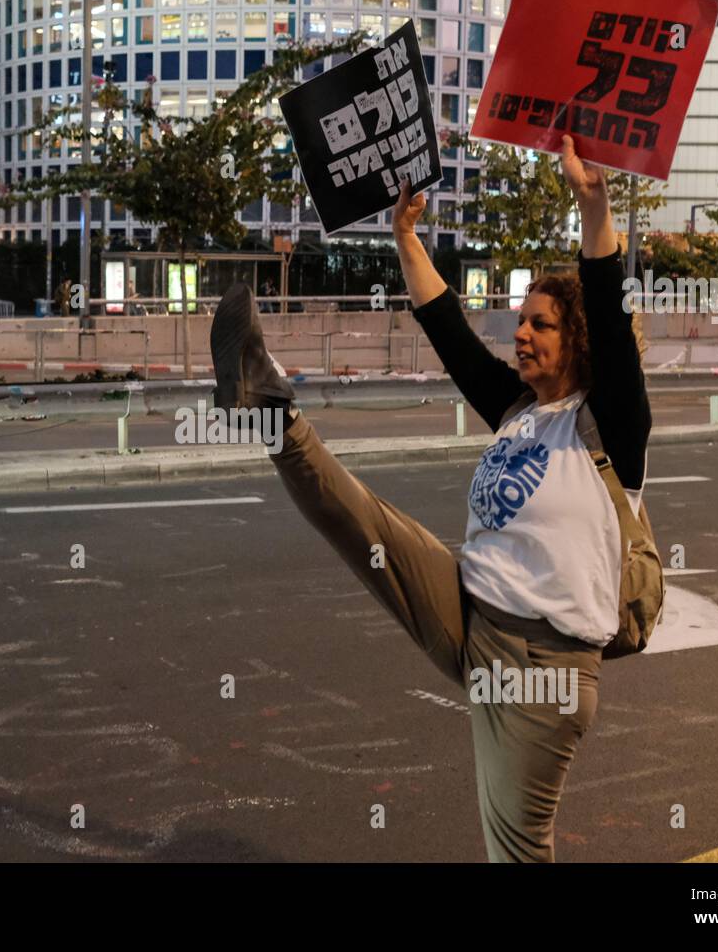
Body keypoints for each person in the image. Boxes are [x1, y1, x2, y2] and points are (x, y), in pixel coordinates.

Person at [208, 135, 650, 862]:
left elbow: (608, 309)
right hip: (468, 608)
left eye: (543, 322)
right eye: (521, 318)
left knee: (515, 851)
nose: (523, 332)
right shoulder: (517, 410)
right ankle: (267, 408)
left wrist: (592, 203)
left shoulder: (609, 427)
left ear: (578, 342)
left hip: (544, 670)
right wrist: (405, 236)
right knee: (362, 521)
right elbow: (448, 329)